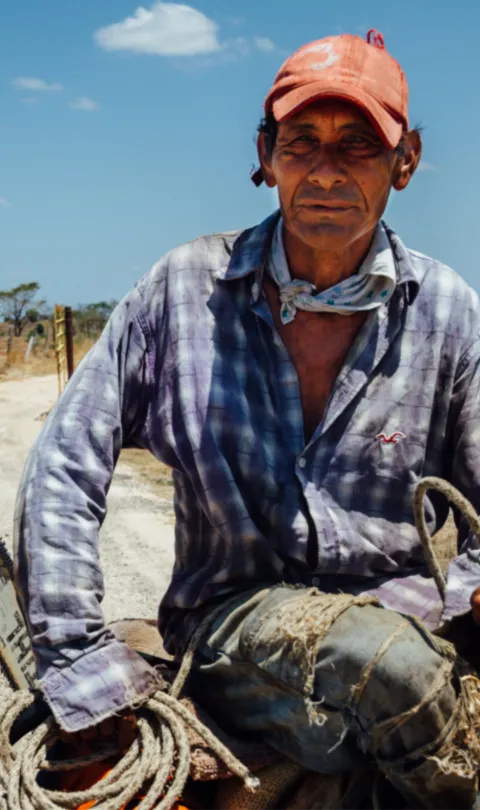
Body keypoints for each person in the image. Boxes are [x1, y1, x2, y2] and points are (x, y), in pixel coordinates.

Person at [13, 29, 480, 809]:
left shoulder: (447, 314)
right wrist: (77, 664)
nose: (326, 169)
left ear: (406, 162)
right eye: (303, 141)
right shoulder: (182, 291)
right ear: (266, 155)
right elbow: (64, 469)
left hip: (407, 621)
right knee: (390, 670)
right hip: (230, 628)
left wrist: (464, 593)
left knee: (408, 671)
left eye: (359, 144)